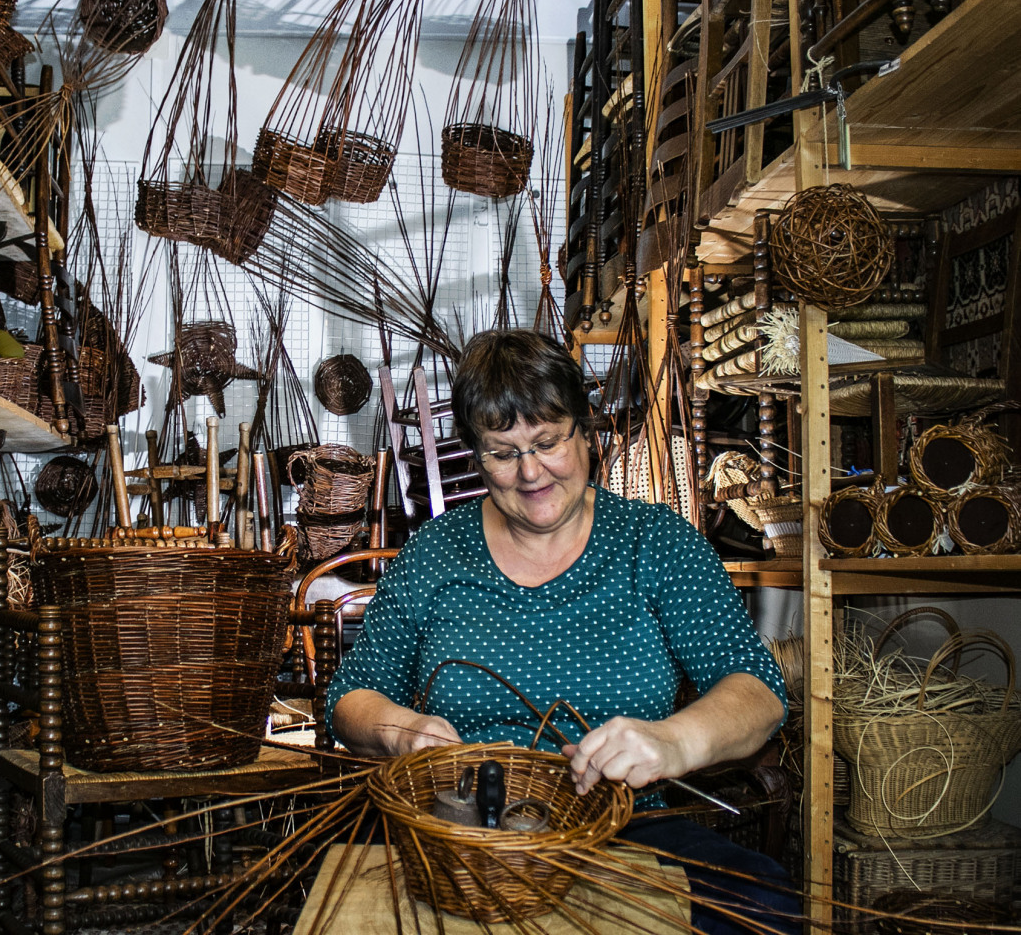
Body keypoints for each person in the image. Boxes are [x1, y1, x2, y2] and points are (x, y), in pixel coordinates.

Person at [327, 329, 796, 935]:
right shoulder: (435, 555)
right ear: (475, 455)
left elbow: (757, 691)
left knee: (767, 911)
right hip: (463, 838)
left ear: (585, 431)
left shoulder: (655, 543)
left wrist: (674, 741)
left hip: (626, 832)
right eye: (502, 452)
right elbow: (350, 698)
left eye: (549, 442)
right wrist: (403, 731)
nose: (531, 473)